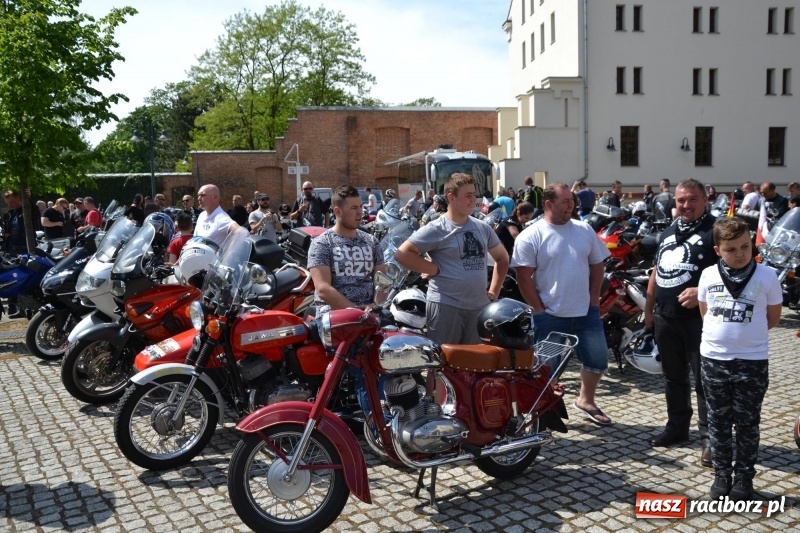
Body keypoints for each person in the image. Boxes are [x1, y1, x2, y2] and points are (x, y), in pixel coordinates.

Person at [511, 183, 613, 426]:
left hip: (586, 311)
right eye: (565, 201)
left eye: (572, 201)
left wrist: (593, 300)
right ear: (548, 204)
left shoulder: (584, 229)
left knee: (597, 360)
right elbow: (523, 277)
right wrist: (538, 309)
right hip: (550, 314)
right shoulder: (531, 235)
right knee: (546, 369)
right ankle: (542, 410)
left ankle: (585, 400)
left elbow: (597, 265)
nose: (572, 205)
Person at [698, 217, 782, 500]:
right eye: (731, 249)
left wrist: (744, 337)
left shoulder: (767, 276)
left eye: (745, 246)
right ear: (717, 249)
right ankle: (722, 475)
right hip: (714, 360)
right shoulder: (708, 275)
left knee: (747, 423)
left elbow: (772, 319)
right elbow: (705, 312)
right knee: (718, 421)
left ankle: (744, 479)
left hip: (752, 361)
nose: (740, 254)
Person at [644, 179, 717, 465]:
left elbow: (735, 269)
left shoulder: (715, 231)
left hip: (699, 321)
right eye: (681, 200)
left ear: (704, 199)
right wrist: (649, 309)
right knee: (673, 378)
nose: (686, 205)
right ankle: (677, 428)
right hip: (665, 317)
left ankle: (710, 439)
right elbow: (656, 271)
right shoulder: (669, 230)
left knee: (704, 382)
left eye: (692, 199)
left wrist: (702, 291)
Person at [395, 173, 508, 345]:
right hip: (446, 307)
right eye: (468, 196)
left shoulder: (482, 228)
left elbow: (502, 258)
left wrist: (494, 291)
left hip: (478, 308)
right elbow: (402, 254)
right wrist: (432, 269)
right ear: (451, 197)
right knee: (443, 365)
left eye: (474, 194)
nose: (473, 200)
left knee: (473, 366)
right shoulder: (437, 228)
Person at [306, 185, 385, 316]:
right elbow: (323, 289)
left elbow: (383, 283)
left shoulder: (371, 241)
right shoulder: (322, 243)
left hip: (370, 315)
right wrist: (357, 312)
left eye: (361, 206)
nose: (360, 212)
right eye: (354, 208)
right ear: (338, 211)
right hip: (334, 318)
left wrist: (375, 307)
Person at [2, 190, 38, 254]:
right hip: (11, 250)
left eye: (12, 202)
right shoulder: (8, 215)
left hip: (25, 248)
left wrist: (28, 198)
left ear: (18, 198)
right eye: (7, 203)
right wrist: (5, 234)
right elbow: (5, 229)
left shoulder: (27, 211)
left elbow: (34, 210)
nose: (9, 205)